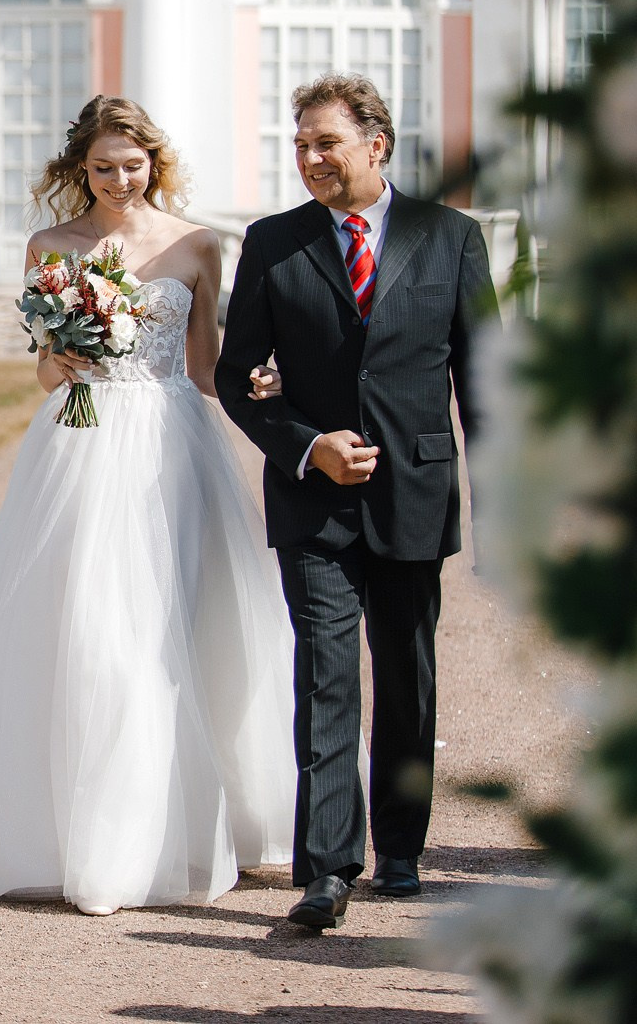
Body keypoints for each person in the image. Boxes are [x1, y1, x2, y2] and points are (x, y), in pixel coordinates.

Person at [0, 95, 295, 915]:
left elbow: (204, 364)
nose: (120, 179)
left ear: (155, 161)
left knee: (179, 622)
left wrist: (259, 382)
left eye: (133, 164)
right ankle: (82, 834)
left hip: (171, 445)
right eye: (104, 166)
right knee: (88, 622)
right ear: (81, 167)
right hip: (80, 437)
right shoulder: (51, 247)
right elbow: (43, 371)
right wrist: (70, 354)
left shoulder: (197, 244)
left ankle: (187, 825)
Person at [215, 74, 494, 930]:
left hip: (416, 492)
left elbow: (484, 385)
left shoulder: (453, 238)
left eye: (324, 142)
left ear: (376, 145)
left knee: (407, 676)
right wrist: (307, 445)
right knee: (325, 677)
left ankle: (401, 851)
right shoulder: (272, 243)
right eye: (299, 144)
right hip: (314, 505)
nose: (308, 158)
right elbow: (237, 378)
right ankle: (327, 868)